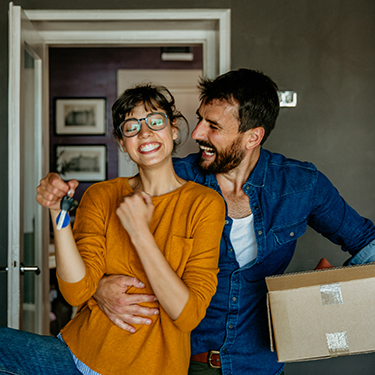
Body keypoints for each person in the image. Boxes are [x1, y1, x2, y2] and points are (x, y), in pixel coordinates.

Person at [94, 69, 375, 375]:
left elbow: (366, 242)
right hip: (181, 362)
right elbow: (99, 240)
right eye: (201, 119)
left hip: (261, 365)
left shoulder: (301, 184)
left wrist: (333, 296)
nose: (198, 133)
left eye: (213, 126)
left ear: (253, 136)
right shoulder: (173, 178)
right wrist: (98, 286)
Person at [0, 84, 225, 375]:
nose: (144, 133)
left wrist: (140, 233)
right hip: (75, 355)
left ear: (173, 130)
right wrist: (59, 213)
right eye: (131, 127)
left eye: (155, 121)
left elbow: (188, 315)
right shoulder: (100, 195)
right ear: (122, 142)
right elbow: (76, 292)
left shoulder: (205, 204)